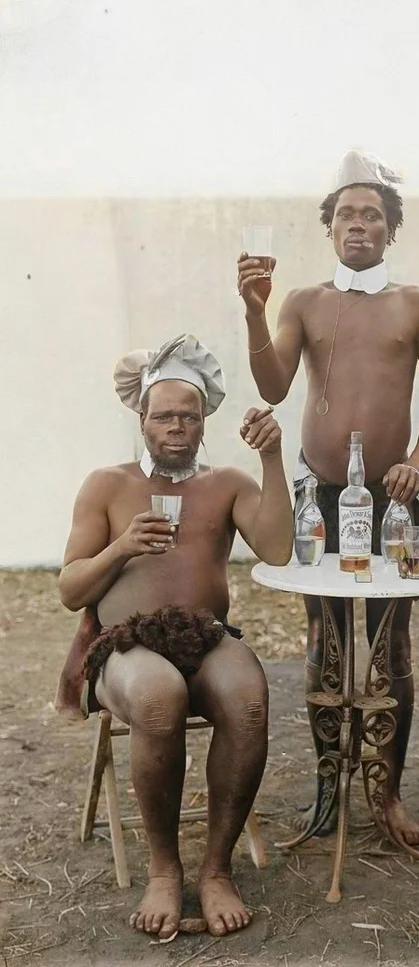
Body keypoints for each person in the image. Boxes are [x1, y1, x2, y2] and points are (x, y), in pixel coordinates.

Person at [237, 150, 419, 847]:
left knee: (390, 647)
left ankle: (386, 795)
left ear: (391, 228)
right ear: (328, 226)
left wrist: (417, 464)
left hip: (394, 504)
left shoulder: (418, 305)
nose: (358, 225)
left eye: (372, 215)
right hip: (318, 503)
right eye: (346, 215)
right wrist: (255, 312)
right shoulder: (303, 302)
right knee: (324, 643)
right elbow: (273, 387)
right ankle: (329, 792)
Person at [57, 334, 293, 939]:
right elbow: (70, 590)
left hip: (205, 636)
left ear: (204, 419)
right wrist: (122, 547)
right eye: (163, 416)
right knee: (159, 696)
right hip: (125, 645)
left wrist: (272, 458)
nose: (177, 427)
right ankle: (164, 868)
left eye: (189, 416)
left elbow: (277, 549)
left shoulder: (227, 482)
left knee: (248, 698)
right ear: (142, 418)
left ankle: (216, 869)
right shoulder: (106, 485)